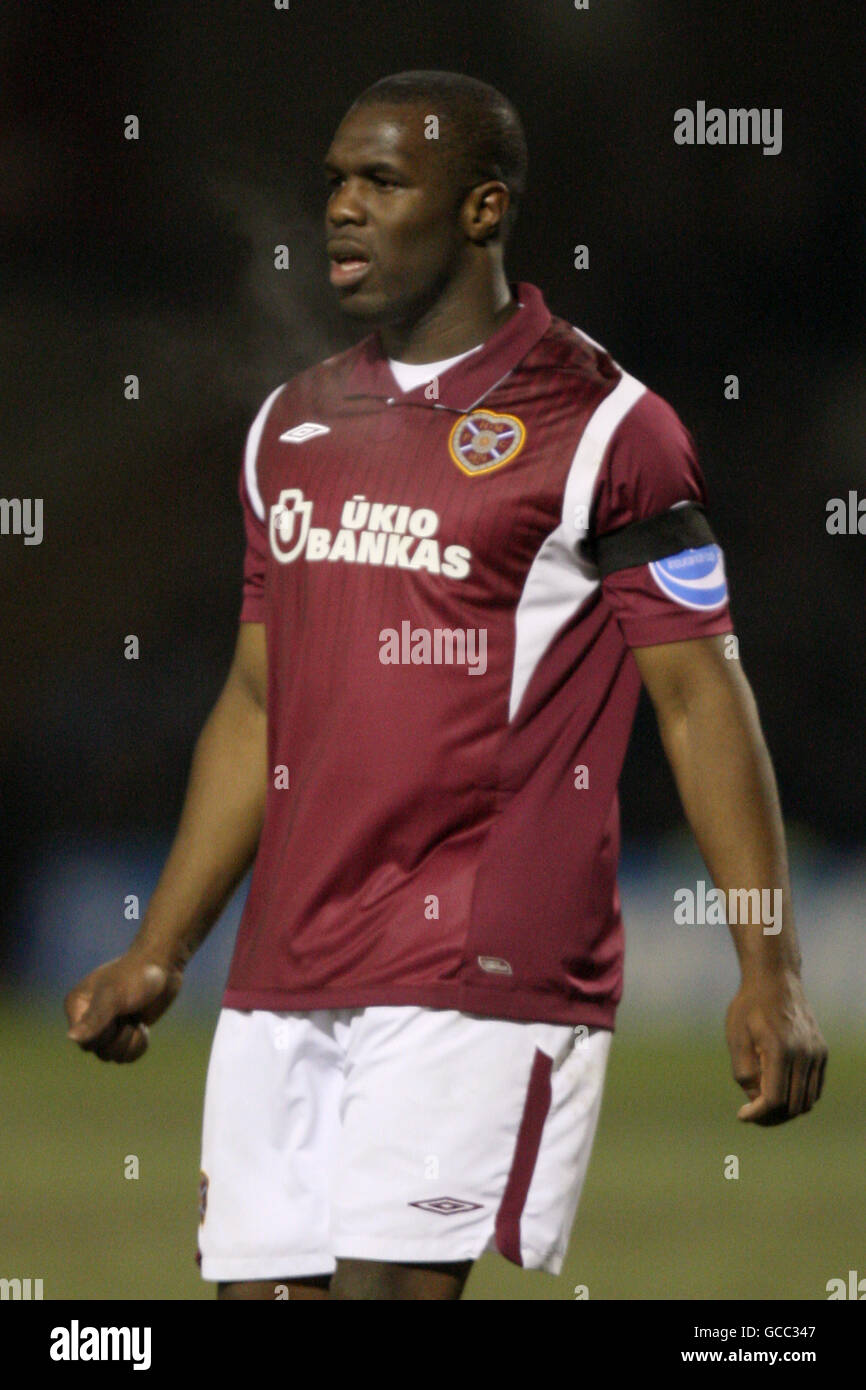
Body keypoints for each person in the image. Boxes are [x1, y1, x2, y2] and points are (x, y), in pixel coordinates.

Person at [65, 70, 827, 1302]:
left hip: (479, 965)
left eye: (381, 181)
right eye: (331, 183)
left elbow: (699, 699)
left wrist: (768, 967)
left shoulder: (607, 426)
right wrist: (161, 947)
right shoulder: (290, 426)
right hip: (285, 966)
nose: (342, 211)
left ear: (482, 210)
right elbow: (258, 699)